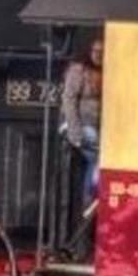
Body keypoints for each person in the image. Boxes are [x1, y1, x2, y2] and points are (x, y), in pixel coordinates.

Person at [60, 35, 103, 252]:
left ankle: (91, 200)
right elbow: (69, 99)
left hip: (100, 129)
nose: (99, 56)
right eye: (95, 52)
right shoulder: (78, 70)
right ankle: (89, 202)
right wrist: (75, 132)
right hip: (82, 127)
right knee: (98, 158)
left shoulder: (106, 72)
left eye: (102, 53)